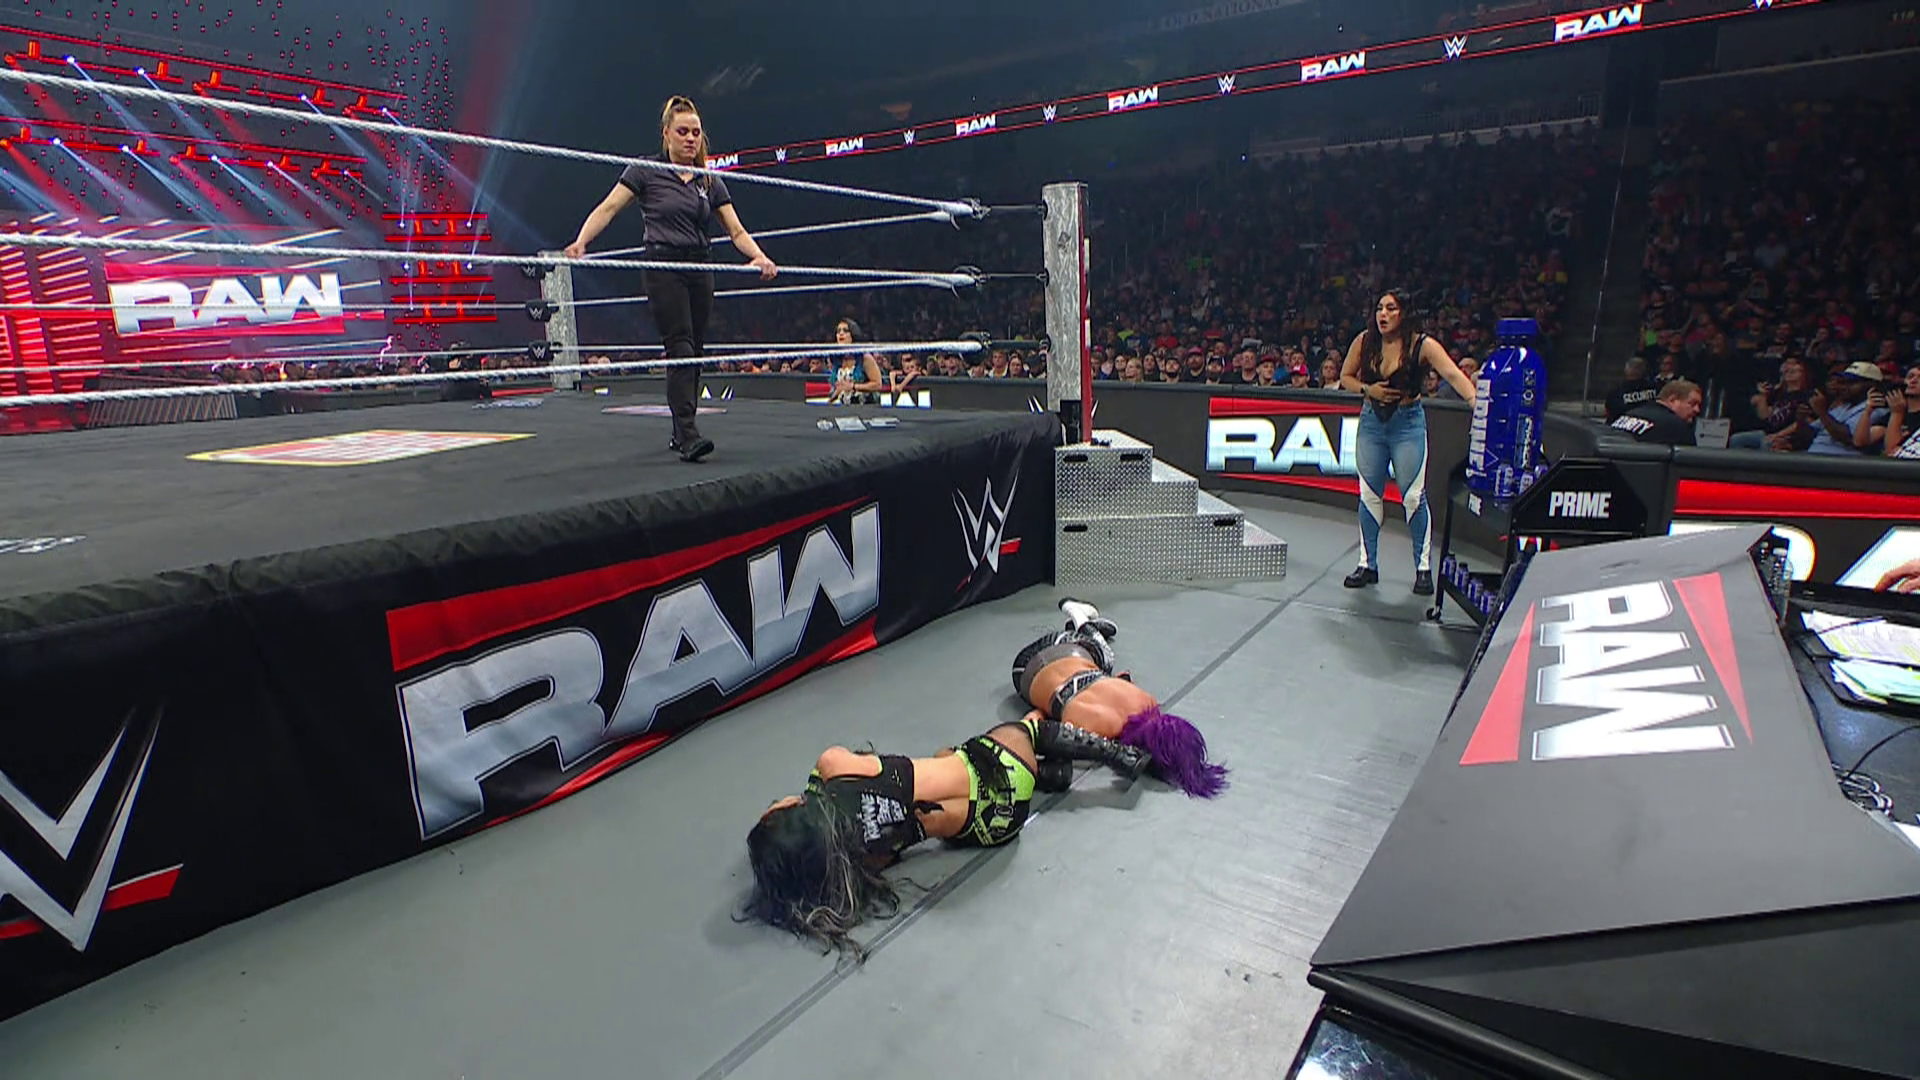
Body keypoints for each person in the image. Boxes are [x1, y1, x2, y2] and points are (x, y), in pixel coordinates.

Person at [741, 599, 1226, 958]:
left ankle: (1051, 771)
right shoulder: (831, 770)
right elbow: (847, 762)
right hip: (999, 767)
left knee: (957, 762)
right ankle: (1111, 754)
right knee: (1026, 725)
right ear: (788, 814)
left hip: (991, 826)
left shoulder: (859, 862)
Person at [565, 95, 778, 462]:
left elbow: (736, 230)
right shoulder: (646, 170)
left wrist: (759, 256)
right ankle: (688, 433)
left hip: (700, 267)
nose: (691, 139)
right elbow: (609, 207)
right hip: (663, 265)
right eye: (683, 132)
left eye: (696, 132)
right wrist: (582, 241)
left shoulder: (708, 180)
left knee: (695, 350)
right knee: (679, 345)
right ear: (666, 134)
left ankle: (682, 431)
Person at [1337, 290, 1478, 596]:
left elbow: (1453, 374)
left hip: (1407, 423)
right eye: (1379, 308)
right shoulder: (1365, 341)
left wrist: (1475, 402)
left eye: (1391, 308)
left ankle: (1423, 568)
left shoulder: (1422, 345)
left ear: (1404, 313)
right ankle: (1367, 564)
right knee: (1369, 494)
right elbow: (1345, 376)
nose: (1383, 314)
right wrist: (1368, 390)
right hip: (1372, 422)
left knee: (1413, 497)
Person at [1803, 362, 1889, 456]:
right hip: (1813, 454)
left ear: (1872, 386)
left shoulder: (1877, 410)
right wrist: (1801, 419)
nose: (1845, 387)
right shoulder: (1843, 406)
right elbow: (1811, 432)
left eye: (1851, 383)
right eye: (1844, 382)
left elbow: (1849, 438)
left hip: (1840, 459)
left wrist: (1822, 412)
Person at [1609, 378, 1702, 446]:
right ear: (1672, 400)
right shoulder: (1677, 428)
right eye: (1692, 403)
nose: (1697, 410)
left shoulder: (1629, 414)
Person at [827, 318, 886, 405]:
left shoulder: (865, 358)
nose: (841, 333)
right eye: (838, 331)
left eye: (845, 331)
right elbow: (842, 387)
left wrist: (853, 386)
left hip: (866, 407)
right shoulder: (837, 359)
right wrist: (830, 401)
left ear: (853, 335)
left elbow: (878, 384)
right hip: (845, 408)